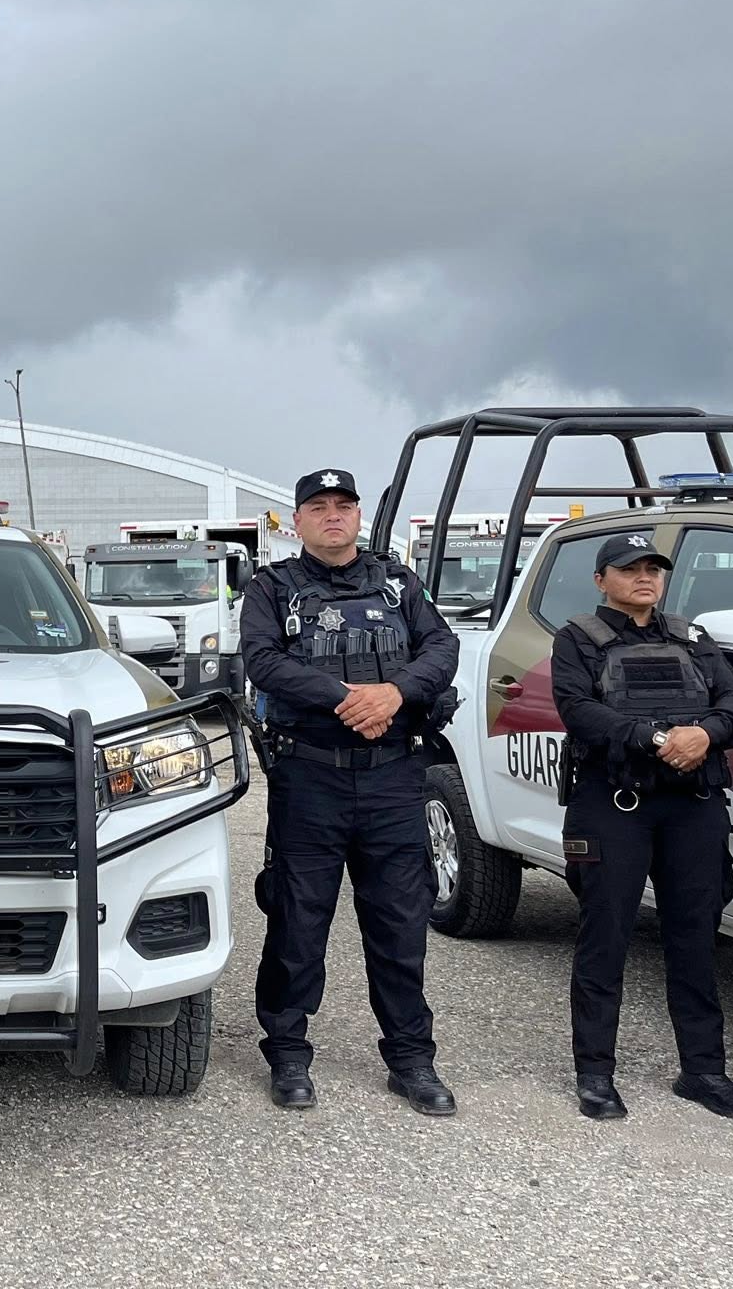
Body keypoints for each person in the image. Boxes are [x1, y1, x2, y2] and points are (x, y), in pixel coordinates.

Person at [243, 469, 461, 1115]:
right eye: (319, 507)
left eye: (344, 505)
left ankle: (411, 1060)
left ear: (359, 515)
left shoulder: (398, 584)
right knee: (297, 920)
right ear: (298, 520)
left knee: (400, 921)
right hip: (311, 778)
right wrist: (345, 699)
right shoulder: (271, 588)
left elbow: (442, 647)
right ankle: (287, 1054)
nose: (333, 516)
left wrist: (395, 694)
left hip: (393, 775)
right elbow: (263, 660)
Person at [552, 533, 733, 1121]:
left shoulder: (691, 638)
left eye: (653, 569)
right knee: (605, 936)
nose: (644, 578)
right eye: (629, 569)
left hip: (690, 803)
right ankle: (595, 1074)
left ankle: (704, 1071)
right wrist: (657, 738)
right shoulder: (577, 640)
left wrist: (707, 733)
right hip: (614, 802)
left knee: (694, 935)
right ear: (601, 580)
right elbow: (580, 711)